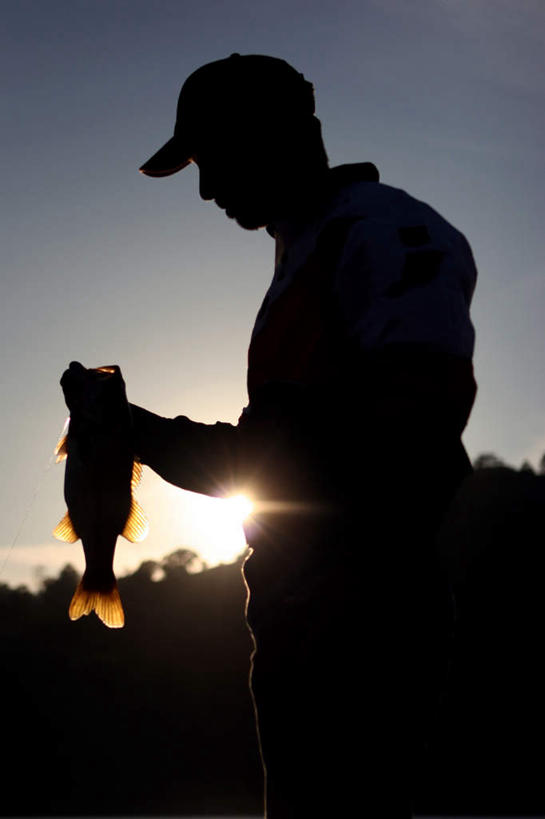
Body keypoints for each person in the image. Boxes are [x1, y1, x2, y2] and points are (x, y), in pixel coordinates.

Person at [114, 54, 480, 816]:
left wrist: (145, 436)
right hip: (301, 624)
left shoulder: (381, 232)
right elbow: (292, 452)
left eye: (213, 159)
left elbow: (408, 442)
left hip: (357, 636)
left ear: (286, 134)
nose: (208, 189)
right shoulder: (309, 248)